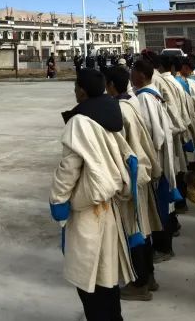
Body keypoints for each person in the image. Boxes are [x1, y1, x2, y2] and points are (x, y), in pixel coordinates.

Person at [51, 69, 135, 321]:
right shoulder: (110, 115)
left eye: (76, 88)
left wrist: (58, 200)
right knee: (107, 274)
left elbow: (69, 168)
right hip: (109, 207)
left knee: (88, 277)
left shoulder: (79, 123)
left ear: (82, 91)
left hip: (88, 210)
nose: (74, 92)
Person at [106, 66, 161, 301]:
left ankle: (139, 284)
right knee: (143, 229)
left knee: (133, 229)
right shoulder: (131, 103)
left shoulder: (118, 110)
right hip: (142, 172)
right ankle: (149, 276)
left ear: (111, 85)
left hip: (131, 177)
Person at [131, 57, 180, 262]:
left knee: (157, 205)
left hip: (154, 158)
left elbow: (152, 133)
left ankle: (163, 248)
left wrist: (147, 157)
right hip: (160, 156)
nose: (131, 76)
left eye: (133, 72)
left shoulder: (144, 98)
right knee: (163, 203)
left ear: (142, 75)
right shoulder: (152, 94)